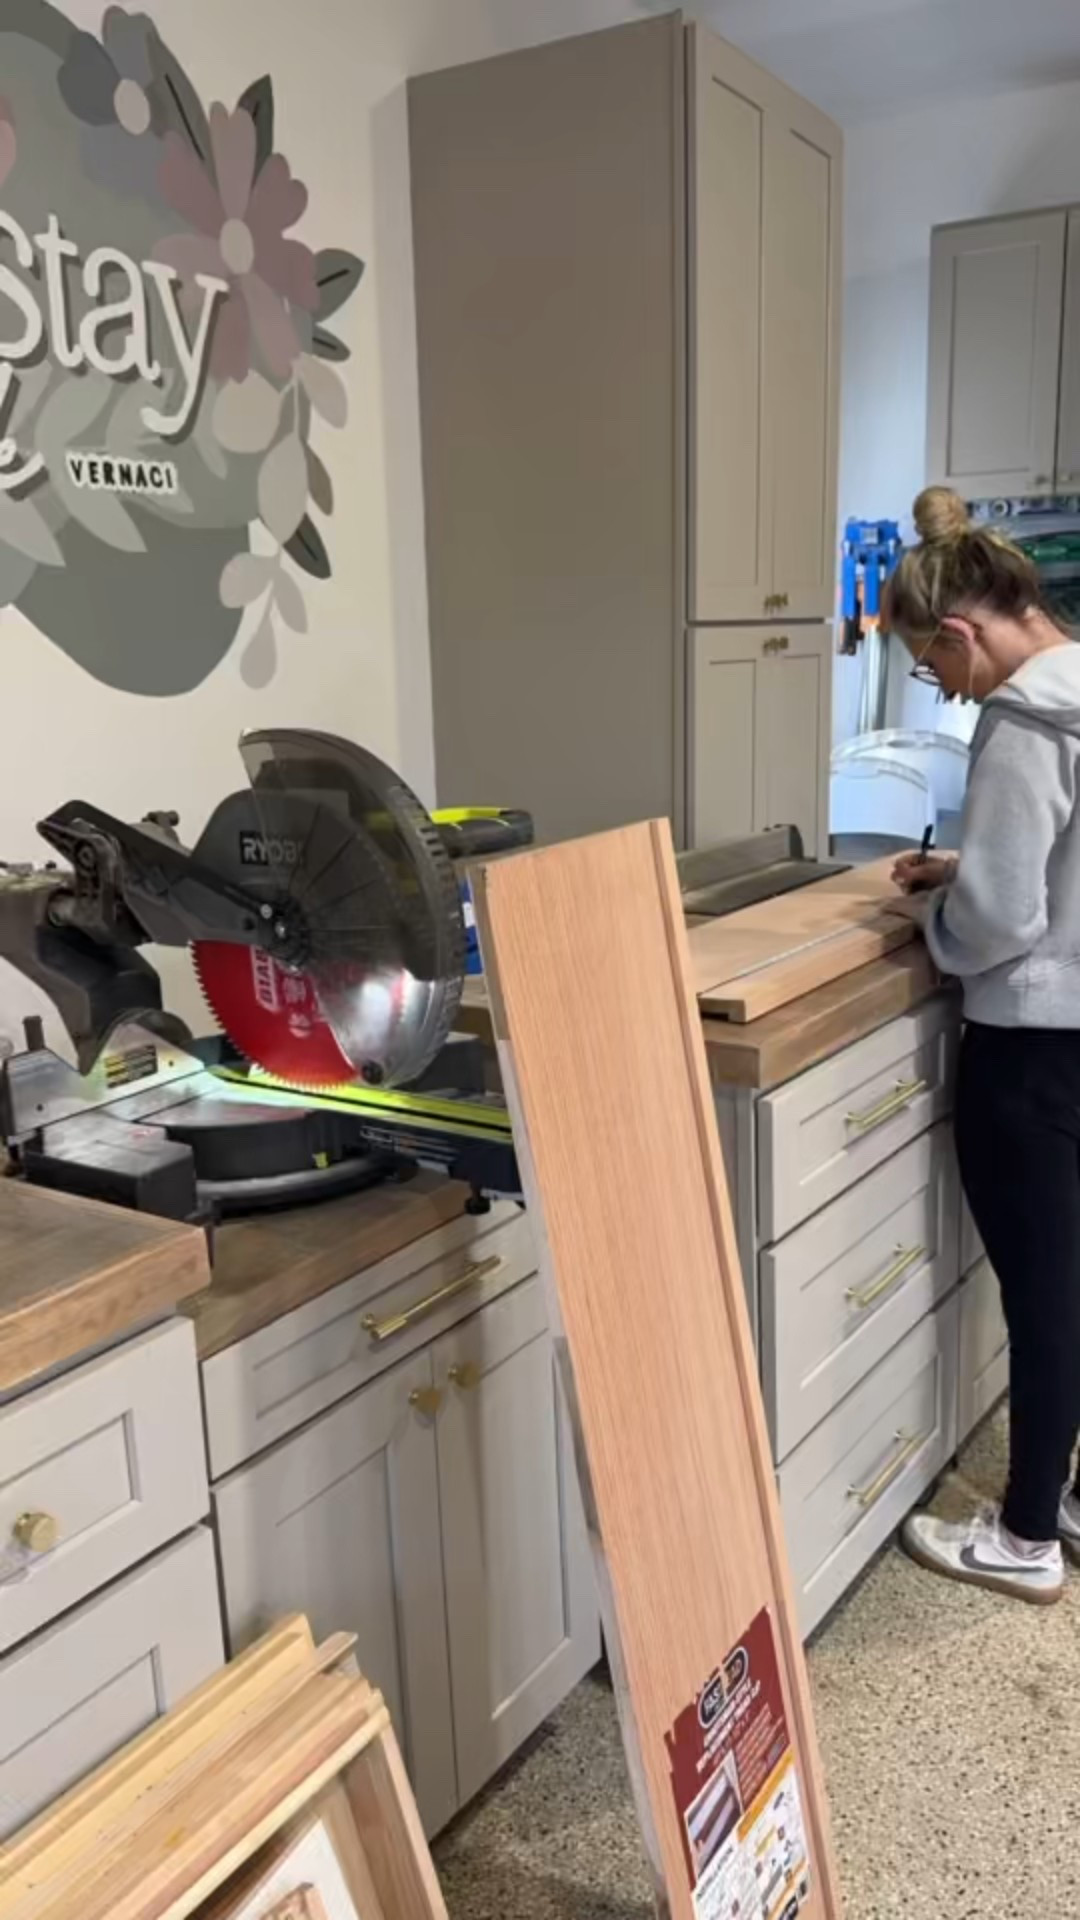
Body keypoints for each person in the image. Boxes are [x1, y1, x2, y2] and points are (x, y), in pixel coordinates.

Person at [883, 484, 1080, 1605]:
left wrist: (933, 918)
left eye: (932, 668)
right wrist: (975, 869)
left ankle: (1020, 1539)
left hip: (1032, 1048)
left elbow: (1004, 924)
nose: (945, 692)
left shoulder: (1023, 719)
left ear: (961, 632)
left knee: (1044, 1298)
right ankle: (1070, 1497)